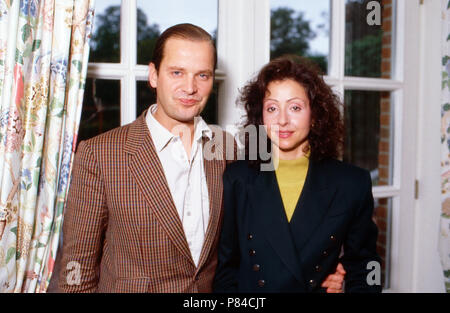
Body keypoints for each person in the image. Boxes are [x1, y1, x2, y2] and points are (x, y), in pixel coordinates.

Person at [59, 24, 344, 293]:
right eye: (177, 73)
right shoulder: (98, 154)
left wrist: (327, 268)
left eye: (202, 75)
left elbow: (275, 224)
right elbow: (76, 268)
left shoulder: (228, 148)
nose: (190, 87)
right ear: (153, 75)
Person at [213, 56, 382, 293]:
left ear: (315, 115)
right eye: (272, 108)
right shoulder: (237, 178)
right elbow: (226, 271)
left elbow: (366, 266)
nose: (282, 120)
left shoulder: (352, 183)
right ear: (261, 117)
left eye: (295, 107)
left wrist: (344, 283)